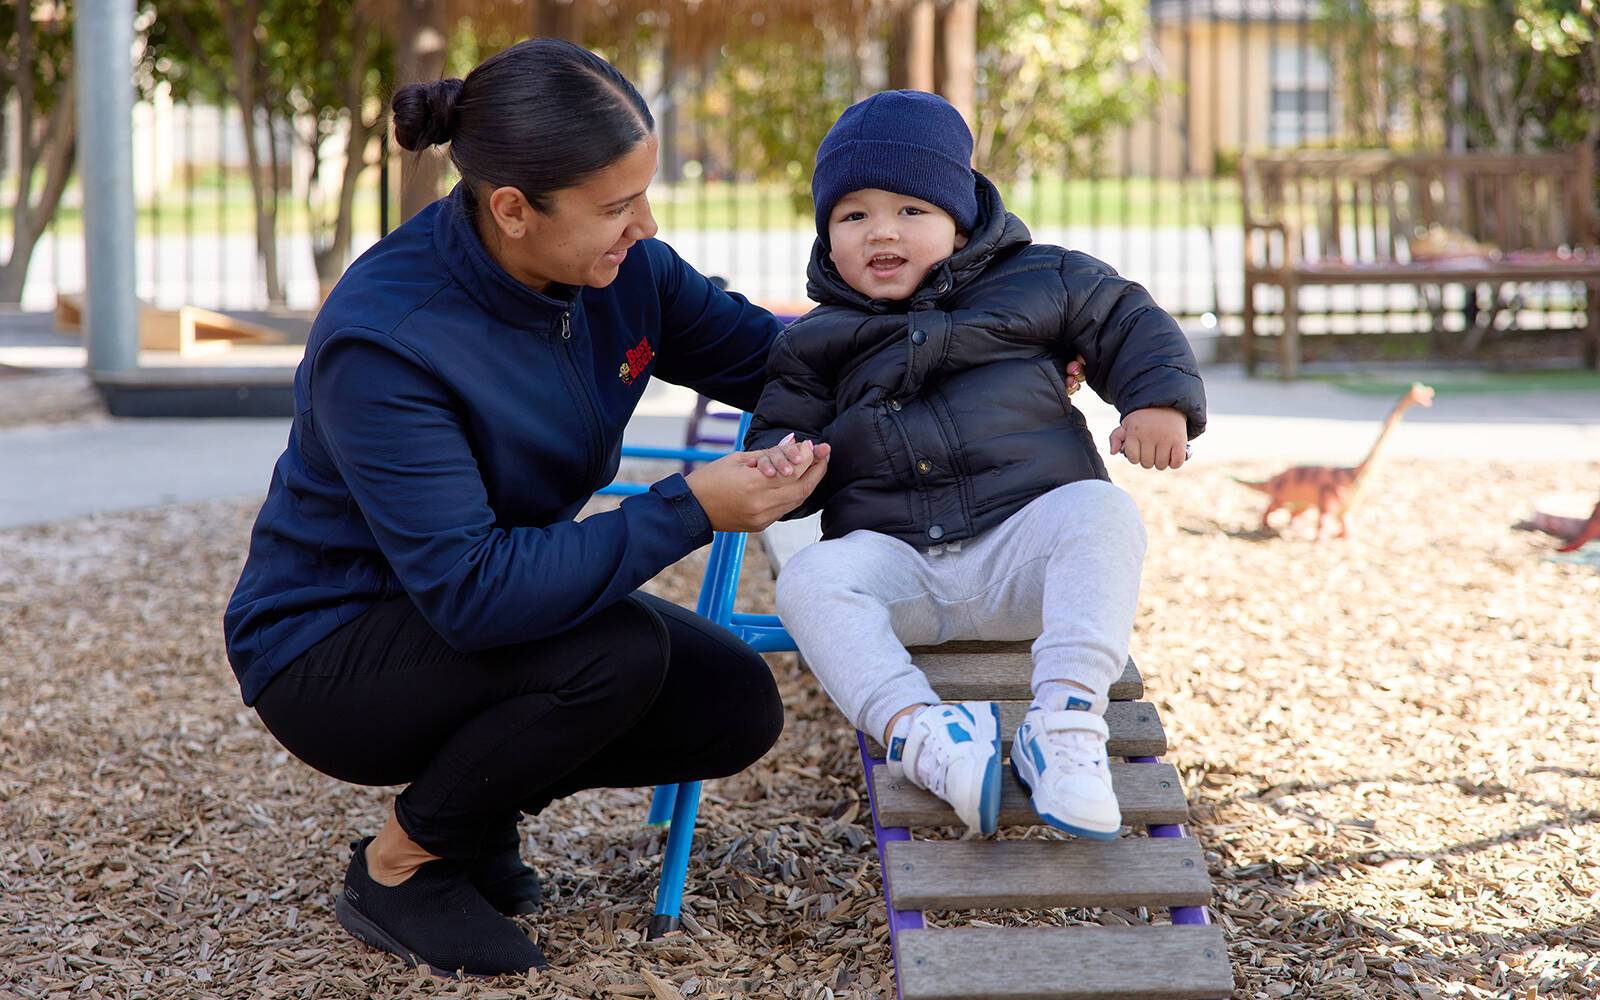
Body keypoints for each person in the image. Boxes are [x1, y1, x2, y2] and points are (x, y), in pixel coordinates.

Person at [223, 40, 829, 978]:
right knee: (613, 656)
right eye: (617, 207)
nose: (646, 224)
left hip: (482, 601)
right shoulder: (388, 341)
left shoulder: (626, 274)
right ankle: (402, 866)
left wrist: (985, 353)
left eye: (643, 195)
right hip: (331, 645)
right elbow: (474, 595)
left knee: (730, 704)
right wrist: (691, 506)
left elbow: (781, 363)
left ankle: (476, 809)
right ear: (512, 208)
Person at [744, 91, 1206, 840]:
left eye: (910, 211)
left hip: (1022, 553)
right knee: (810, 578)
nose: (881, 231)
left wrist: (1158, 403)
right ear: (827, 235)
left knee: (1101, 512)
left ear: (960, 219)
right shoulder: (816, 341)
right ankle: (923, 733)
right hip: (901, 574)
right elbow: (782, 431)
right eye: (852, 215)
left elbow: (1127, 320)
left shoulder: (1041, 278)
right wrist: (781, 466)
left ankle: (1062, 723)